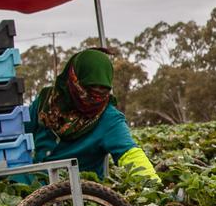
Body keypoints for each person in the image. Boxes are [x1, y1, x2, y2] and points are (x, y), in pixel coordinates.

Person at [26, 48, 160, 182]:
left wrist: (154, 187)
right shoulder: (46, 102)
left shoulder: (108, 118)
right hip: (30, 188)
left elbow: (131, 155)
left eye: (101, 93)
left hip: (76, 195)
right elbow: (19, 135)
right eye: (87, 90)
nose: (93, 100)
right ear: (73, 79)